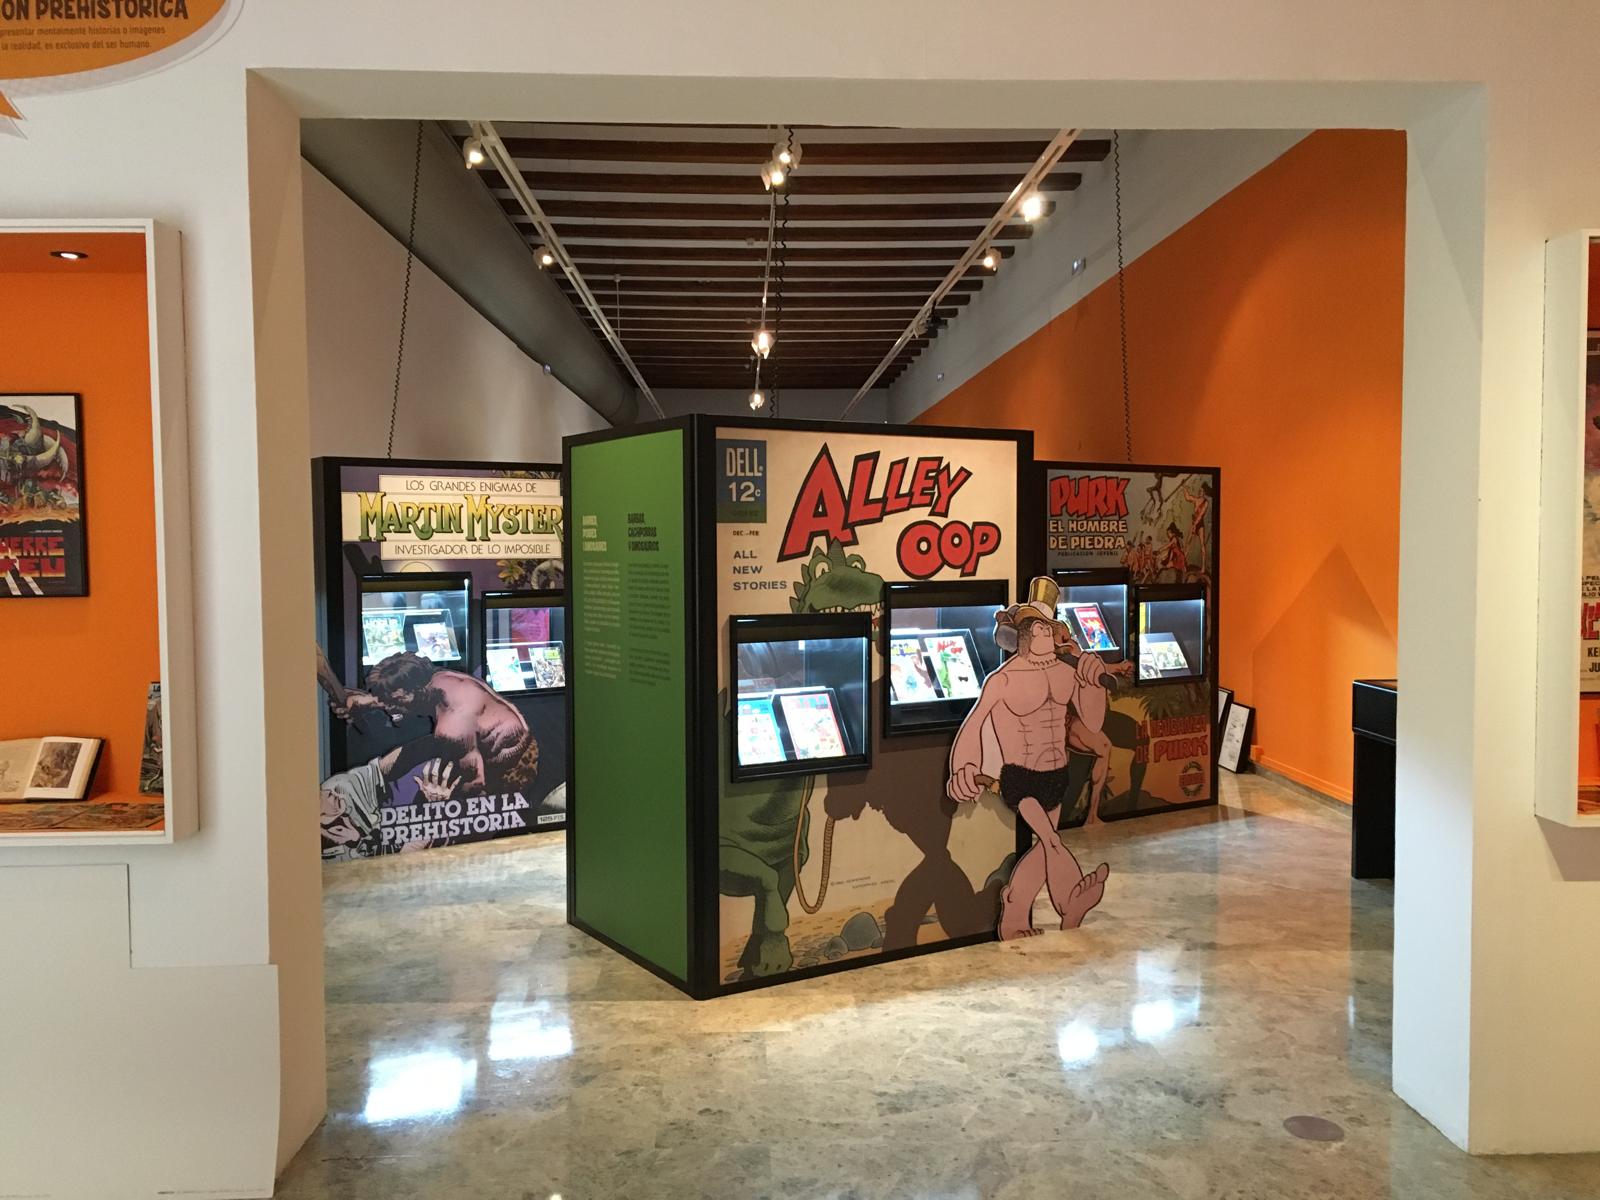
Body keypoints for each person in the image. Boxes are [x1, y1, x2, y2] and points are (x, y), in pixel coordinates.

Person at [945, 577, 1126, 940]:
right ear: (1024, 635)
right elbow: (975, 723)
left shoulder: (1065, 673)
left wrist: (1093, 684)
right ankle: (1069, 899)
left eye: (1049, 629)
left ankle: (1015, 911)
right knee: (1051, 840)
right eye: (1038, 629)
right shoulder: (1005, 679)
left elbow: (1092, 721)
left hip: (1056, 775)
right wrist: (962, 768)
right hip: (1019, 777)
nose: (1045, 635)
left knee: (1045, 844)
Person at [329, 651, 540, 796]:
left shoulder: (452, 725)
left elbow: (475, 783)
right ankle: (369, 778)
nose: (388, 706)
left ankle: (368, 782)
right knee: (414, 751)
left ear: (417, 692)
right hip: (487, 741)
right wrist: (365, 701)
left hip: (509, 768)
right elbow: (401, 696)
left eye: (395, 701)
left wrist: (443, 809)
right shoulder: (435, 680)